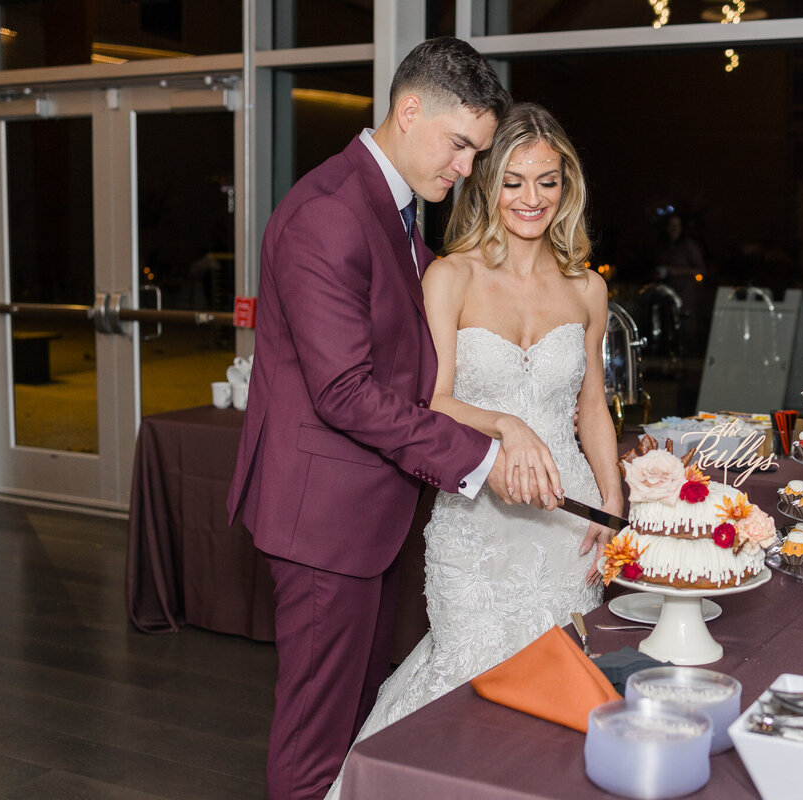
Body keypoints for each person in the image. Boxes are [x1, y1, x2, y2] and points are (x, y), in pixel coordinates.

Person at [227, 40, 562, 800]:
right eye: (462, 145)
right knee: (317, 738)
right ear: (410, 112)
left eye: (478, 151)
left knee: (356, 719)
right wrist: (479, 455)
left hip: (366, 517)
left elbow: (405, 364)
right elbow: (344, 391)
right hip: (321, 523)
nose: (468, 168)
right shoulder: (329, 214)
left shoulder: (395, 208)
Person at [324, 102, 624, 798]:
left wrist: (611, 507)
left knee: (562, 695)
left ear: (566, 187)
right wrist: (505, 426)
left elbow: (592, 407)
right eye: (514, 181)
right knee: (466, 680)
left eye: (547, 182)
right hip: (476, 520)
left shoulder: (587, 288)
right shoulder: (450, 277)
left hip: (566, 525)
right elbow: (433, 404)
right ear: (487, 184)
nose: (531, 199)